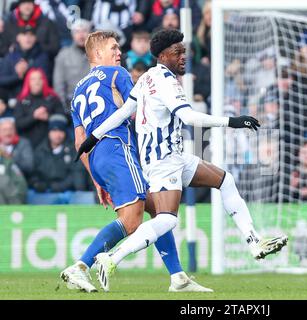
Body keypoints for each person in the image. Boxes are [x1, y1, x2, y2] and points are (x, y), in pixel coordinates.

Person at [76, 29, 288, 292]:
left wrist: (92, 137)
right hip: (163, 161)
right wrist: (232, 121)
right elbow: (190, 119)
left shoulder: (145, 78)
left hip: (175, 156)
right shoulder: (165, 81)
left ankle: (253, 241)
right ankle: (112, 257)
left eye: (184, 50)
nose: (183, 56)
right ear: (163, 55)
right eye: (178, 52)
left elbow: (123, 113)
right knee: (167, 219)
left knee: (224, 180)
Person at [60, 30, 212, 293]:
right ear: (97, 54)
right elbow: (141, 105)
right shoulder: (117, 74)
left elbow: (79, 142)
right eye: (113, 48)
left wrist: (97, 179)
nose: (120, 53)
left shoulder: (78, 90)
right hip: (118, 148)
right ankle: (81, 267)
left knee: (157, 207)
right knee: (132, 222)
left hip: (98, 156)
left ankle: (178, 277)